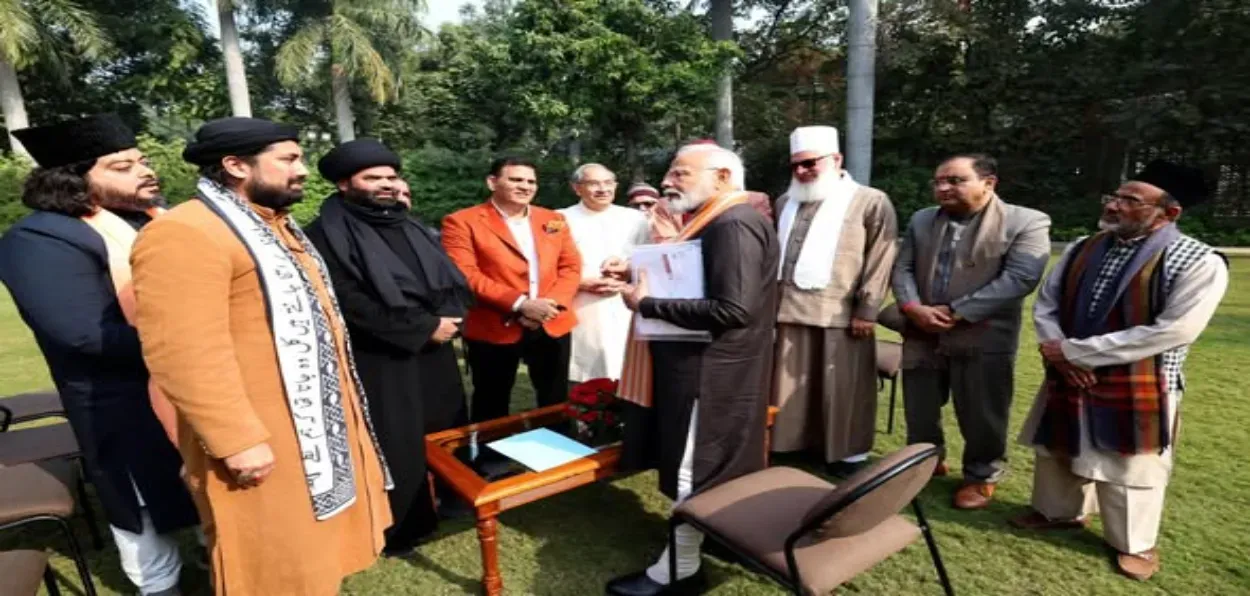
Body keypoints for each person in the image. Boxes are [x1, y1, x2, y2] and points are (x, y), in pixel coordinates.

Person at [130, 117, 393, 596]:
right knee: (272, 559)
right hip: (259, 435)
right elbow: (182, 350)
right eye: (289, 159)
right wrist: (236, 441)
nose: (303, 170)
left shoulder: (273, 226)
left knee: (312, 554)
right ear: (235, 165)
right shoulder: (186, 231)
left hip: (310, 427)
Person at [0, 114, 200, 596]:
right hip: (116, 400)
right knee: (141, 508)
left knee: (206, 488)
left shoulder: (157, 220)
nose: (145, 172)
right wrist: (199, 342)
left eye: (142, 161)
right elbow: (83, 334)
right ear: (72, 178)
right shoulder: (38, 240)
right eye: (122, 167)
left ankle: (225, 562)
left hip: (191, 387)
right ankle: (160, 587)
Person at [1012, 160, 1229, 581]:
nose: (1114, 206)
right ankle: (1057, 513)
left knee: (1131, 465)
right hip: (1067, 366)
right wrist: (1061, 354)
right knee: (1059, 445)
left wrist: (1076, 352)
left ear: (1169, 213)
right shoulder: (1082, 247)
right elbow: (1047, 304)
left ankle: (1134, 543)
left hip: (1142, 378)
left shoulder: (1199, 260)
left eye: (1130, 200)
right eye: (1114, 196)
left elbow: (1176, 329)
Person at [604, 143, 779, 595]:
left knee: (694, 468)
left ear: (722, 177)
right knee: (717, 465)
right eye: (670, 172)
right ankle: (720, 539)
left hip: (711, 373)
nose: (668, 181)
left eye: (681, 173)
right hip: (713, 366)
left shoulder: (733, 222)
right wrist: (635, 274)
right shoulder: (718, 219)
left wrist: (647, 304)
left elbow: (732, 309)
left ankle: (678, 571)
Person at [304, 139, 472, 556]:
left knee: (447, 426)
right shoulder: (322, 235)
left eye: (391, 176)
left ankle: (455, 497)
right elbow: (347, 300)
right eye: (373, 177)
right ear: (345, 184)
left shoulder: (409, 224)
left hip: (436, 350)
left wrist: (449, 319)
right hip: (381, 355)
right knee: (397, 440)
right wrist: (423, 328)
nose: (387, 184)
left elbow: (448, 277)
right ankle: (406, 525)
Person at [891, 153, 1051, 510]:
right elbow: (902, 269)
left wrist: (958, 311)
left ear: (988, 183)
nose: (943, 188)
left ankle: (981, 475)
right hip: (922, 330)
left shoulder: (1026, 221)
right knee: (920, 407)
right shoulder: (922, 219)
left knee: (982, 411)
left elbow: (1020, 278)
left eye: (955, 180)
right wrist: (913, 308)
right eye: (938, 181)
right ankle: (924, 461)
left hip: (984, 334)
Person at [769, 125, 899, 477]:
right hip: (786, 310)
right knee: (789, 388)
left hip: (841, 314)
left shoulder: (870, 200)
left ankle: (845, 453)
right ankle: (794, 445)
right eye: (795, 165)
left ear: (836, 159)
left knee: (842, 388)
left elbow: (881, 257)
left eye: (810, 163)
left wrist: (867, 309)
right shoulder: (785, 201)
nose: (801, 171)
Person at [440, 157, 582, 422]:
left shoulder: (553, 219)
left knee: (555, 400)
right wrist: (521, 304)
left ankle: (556, 445)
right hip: (494, 325)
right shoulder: (461, 221)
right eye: (516, 179)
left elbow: (570, 266)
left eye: (531, 181)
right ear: (492, 182)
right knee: (491, 400)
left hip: (551, 322)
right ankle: (491, 449)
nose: (525, 186)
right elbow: (465, 274)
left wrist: (549, 306)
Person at [560, 163, 650, 382]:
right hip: (580, 304)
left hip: (624, 303)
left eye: (608, 183)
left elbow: (647, 258)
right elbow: (548, 265)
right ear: (577, 188)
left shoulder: (636, 219)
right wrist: (581, 283)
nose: (603, 189)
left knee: (627, 370)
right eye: (594, 183)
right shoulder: (559, 219)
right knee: (582, 370)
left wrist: (627, 268)